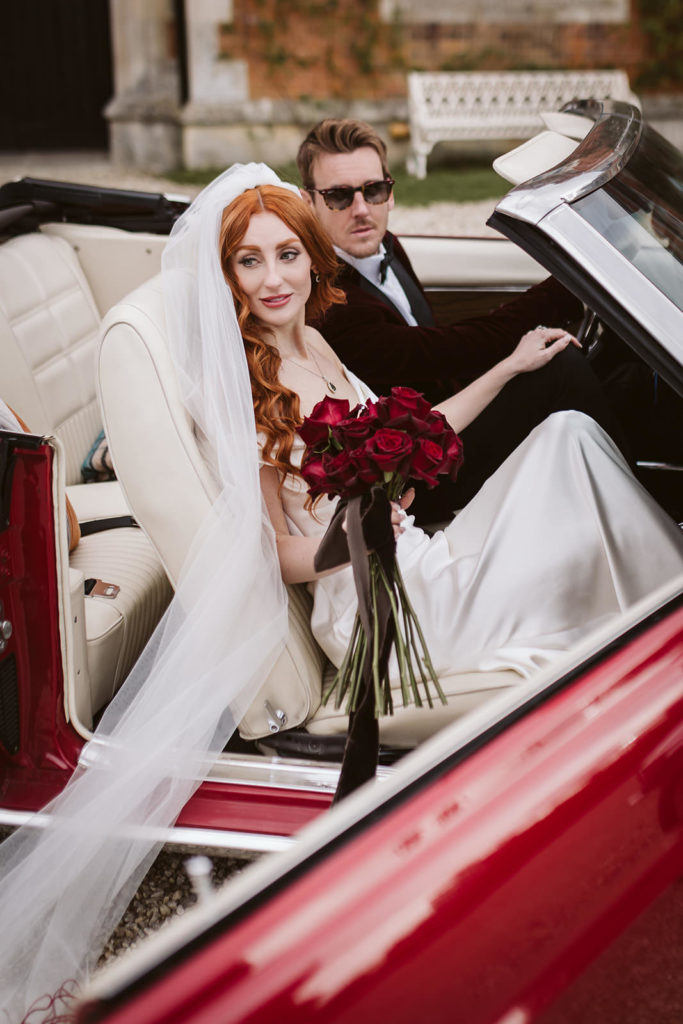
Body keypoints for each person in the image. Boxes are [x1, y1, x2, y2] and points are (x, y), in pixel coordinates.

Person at [0, 164, 681, 1024]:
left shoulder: (314, 344)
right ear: (226, 276)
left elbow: (414, 432)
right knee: (575, 468)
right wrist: (350, 538)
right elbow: (269, 557)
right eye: (249, 263)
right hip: (372, 606)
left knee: (568, 437)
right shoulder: (247, 392)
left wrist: (509, 368)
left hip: (414, 556)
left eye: (287, 254)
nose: (275, 278)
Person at [296, 118, 629, 520]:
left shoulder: (384, 245)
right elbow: (451, 350)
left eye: (374, 189)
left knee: (609, 375)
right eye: (338, 197)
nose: (362, 209)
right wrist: (576, 282)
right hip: (416, 477)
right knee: (563, 366)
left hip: (444, 419)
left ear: (390, 191)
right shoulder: (331, 306)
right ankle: (637, 509)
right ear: (308, 202)